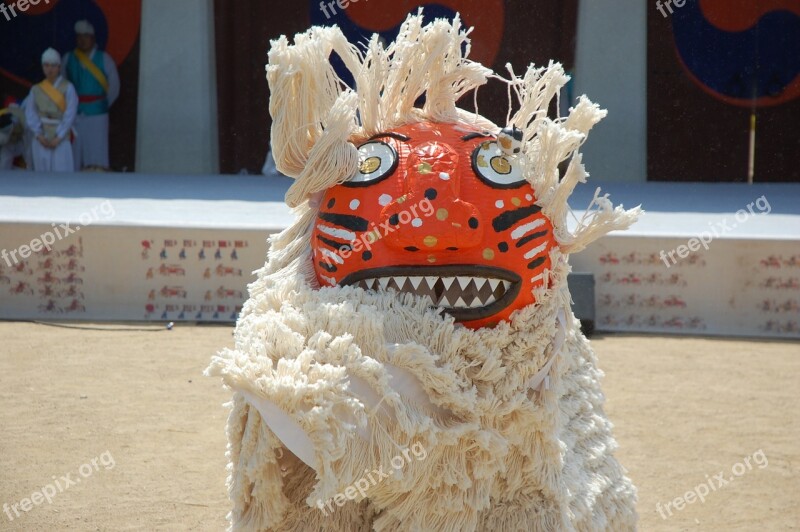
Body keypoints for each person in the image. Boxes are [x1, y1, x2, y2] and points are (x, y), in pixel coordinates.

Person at [62, 19, 120, 171]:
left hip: (97, 114)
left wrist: (101, 105)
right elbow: (63, 85)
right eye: (79, 36)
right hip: (74, 113)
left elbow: (114, 87)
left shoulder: (104, 59)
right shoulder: (68, 58)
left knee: (97, 149)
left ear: (92, 38)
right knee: (74, 150)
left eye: (86, 36)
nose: (82, 40)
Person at [25, 48, 78, 172]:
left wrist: (58, 137)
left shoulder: (68, 88)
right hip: (41, 139)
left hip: (61, 139)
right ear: (43, 67)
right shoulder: (36, 89)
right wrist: (39, 134)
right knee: (41, 176)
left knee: (61, 175)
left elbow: (70, 114)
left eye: (53, 65)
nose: (50, 69)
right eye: (46, 65)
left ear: (59, 67)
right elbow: (30, 113)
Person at [0, 97, 27, 170]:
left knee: (29, 162)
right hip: (10, 143)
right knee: (4, 164)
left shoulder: (22, 114)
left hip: (22, 141)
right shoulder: (3, 113)